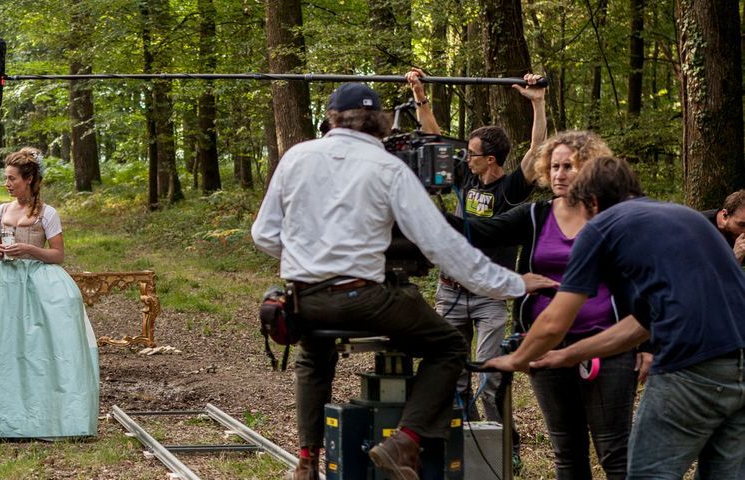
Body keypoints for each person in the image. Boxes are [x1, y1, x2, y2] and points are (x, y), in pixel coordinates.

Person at [250, 82, 557, 480]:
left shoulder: (297, 157)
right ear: (379, 122)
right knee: (448, 345)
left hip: (304, 298)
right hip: (366, 298)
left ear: (331, 118)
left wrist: (307, 260)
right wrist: (513, 284)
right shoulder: (387, 167)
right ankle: (405, 441)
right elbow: (443, 246)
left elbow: (263, 234)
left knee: (314, 351)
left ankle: (307, 458)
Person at [485, 156, 745, 478]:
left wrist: (514, 359)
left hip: (690, 367)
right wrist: (567, 355)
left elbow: (555, 320)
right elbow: (640, 325)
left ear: (591, 201)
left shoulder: (602, 228)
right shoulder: (685, 217)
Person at [448, 131, 648, 479]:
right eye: (554, 166)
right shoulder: (536, 215)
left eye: (568, 166)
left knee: (614, 452)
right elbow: (479, 231)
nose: (559, 174)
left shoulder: (612, 216)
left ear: (589, 168)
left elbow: (638, 282)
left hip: (608, 346)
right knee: (566, 451)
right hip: (545, 345)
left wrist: (646, 345)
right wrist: (419, 214)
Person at [405, 68, 547, 428]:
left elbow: (536, 151)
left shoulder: (511, 188)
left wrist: (539, 104)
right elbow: (432, 136)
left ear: (491, 160)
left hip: (489, 296)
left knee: (490, 374)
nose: (465, 158)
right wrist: (420, 94)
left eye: (472, 153)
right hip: (450, 290)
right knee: (454, 373)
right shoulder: (464, 175)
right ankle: (462, 437)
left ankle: (501, 440)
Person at [0, 147, 99, 439]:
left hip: (40, 283)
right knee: (6, 349)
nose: (7, 184)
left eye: (12, 179)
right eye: (6, 178)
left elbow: (58, 254)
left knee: (41, 350)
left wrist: (30, 250)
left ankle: (51, 413)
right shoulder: (2, 210)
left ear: (29, 178)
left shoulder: (47, 213)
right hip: (6, 284)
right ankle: (8, 415)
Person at [702, 189, 745, 264]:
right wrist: (734, 259)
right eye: (741, 225)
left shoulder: (736, 235)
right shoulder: (699, 227)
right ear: (725, 215)